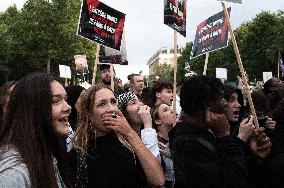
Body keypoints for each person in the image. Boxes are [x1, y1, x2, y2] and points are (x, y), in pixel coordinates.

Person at [73, 85, 165, 187]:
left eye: (113, 102)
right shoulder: (79, 152)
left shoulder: (129, 144)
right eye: (102, 104)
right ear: (88, 114)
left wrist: (129, 133)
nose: (111, 109)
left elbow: (158, 180)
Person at [169, 75, 250, 188]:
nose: (225, 103)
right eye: (221, 98)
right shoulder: (187, 144)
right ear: (207, 105)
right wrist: (224, 137)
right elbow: (234, 181)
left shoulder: (204, 133)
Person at [0, 73, 72, 187]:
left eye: (66, 99)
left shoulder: (45, 153)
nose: (68, 107)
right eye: (55, 101)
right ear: (32, 110)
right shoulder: (14, 175)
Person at [117, 92, 160, 159]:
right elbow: (152, 163)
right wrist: (147, 124)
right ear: (124, 113)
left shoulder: (142, 135)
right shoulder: (122, 146)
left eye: (139, 101)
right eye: (134, 103)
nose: (141, 104)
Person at [151, 103, 175, 188]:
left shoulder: (177, 137)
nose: (172, 110)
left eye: (170, 108)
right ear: (158, 121)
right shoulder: (155, 144)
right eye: (166, 110)